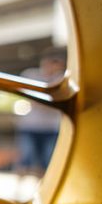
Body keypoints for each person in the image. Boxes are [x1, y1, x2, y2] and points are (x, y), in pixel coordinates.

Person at [15, 47, 65, 177]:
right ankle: (18, 187)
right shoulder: (31, 74)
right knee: (25, 159)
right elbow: (31, 99)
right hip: (30, 126)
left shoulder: (61, 78)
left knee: (46, 162)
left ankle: (40, 185)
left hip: (51, 128)